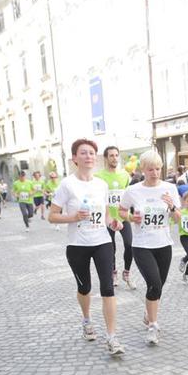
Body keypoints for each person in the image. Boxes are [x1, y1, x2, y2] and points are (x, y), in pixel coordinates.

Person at [49, 138, 125, 356]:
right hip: (77, 245)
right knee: (85, 288)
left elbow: (106, 214)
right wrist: (73, 217)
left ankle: (112, 337)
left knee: (108, 288)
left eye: (91, 153)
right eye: (83, 153)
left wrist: (113, 222)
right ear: (75, 158)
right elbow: (52, 216)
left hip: (102, 241)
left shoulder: (101, 184)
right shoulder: (67, 184)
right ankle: (86, 320)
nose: (88, 156)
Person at [119, 150, 180, 346]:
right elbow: (121, 211)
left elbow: (178, 218)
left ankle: (149, 312)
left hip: (164, 244)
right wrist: (131, 217)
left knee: (159, 286)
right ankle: (153, 325)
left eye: (158, 169)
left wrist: (172, 207)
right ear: (143, 170)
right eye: (151, 169)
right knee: (153, 283)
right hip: (142, 245)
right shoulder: (133, 190)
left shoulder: (170, 188)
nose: (155, 173)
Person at [94, 146, 136, 290]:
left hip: (123, 216)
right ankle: (113, 273)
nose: (114, 158)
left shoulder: (125, 175)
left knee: (129, 244)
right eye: (111, 155)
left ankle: (127, 273)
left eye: (116, 155)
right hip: (108, 218)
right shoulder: (99, 176)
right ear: (106, 158)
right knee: (111, 248)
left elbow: (128, 195)